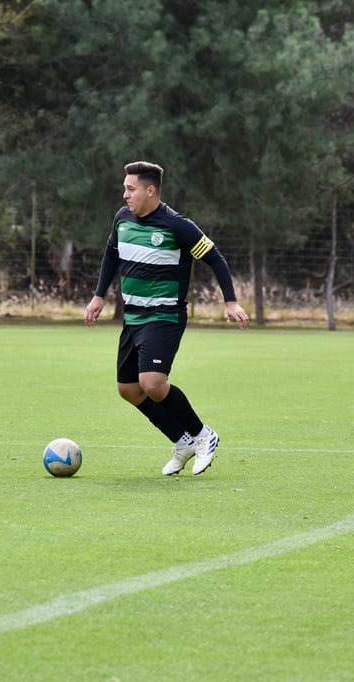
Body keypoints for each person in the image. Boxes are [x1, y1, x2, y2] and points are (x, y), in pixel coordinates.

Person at [85, 161, 250, 476]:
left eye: (131, 189)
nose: (125, 195)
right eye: (124, 188)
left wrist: (230, 301)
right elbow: (111, 254)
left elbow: (215, 258)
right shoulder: (122, 219)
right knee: (128, 389)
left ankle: (203, 435)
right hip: (133, 317)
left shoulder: (177, 225)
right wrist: (99, 295)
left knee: (152, 383)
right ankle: (181, 441)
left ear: (150, 190)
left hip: (164, 316)